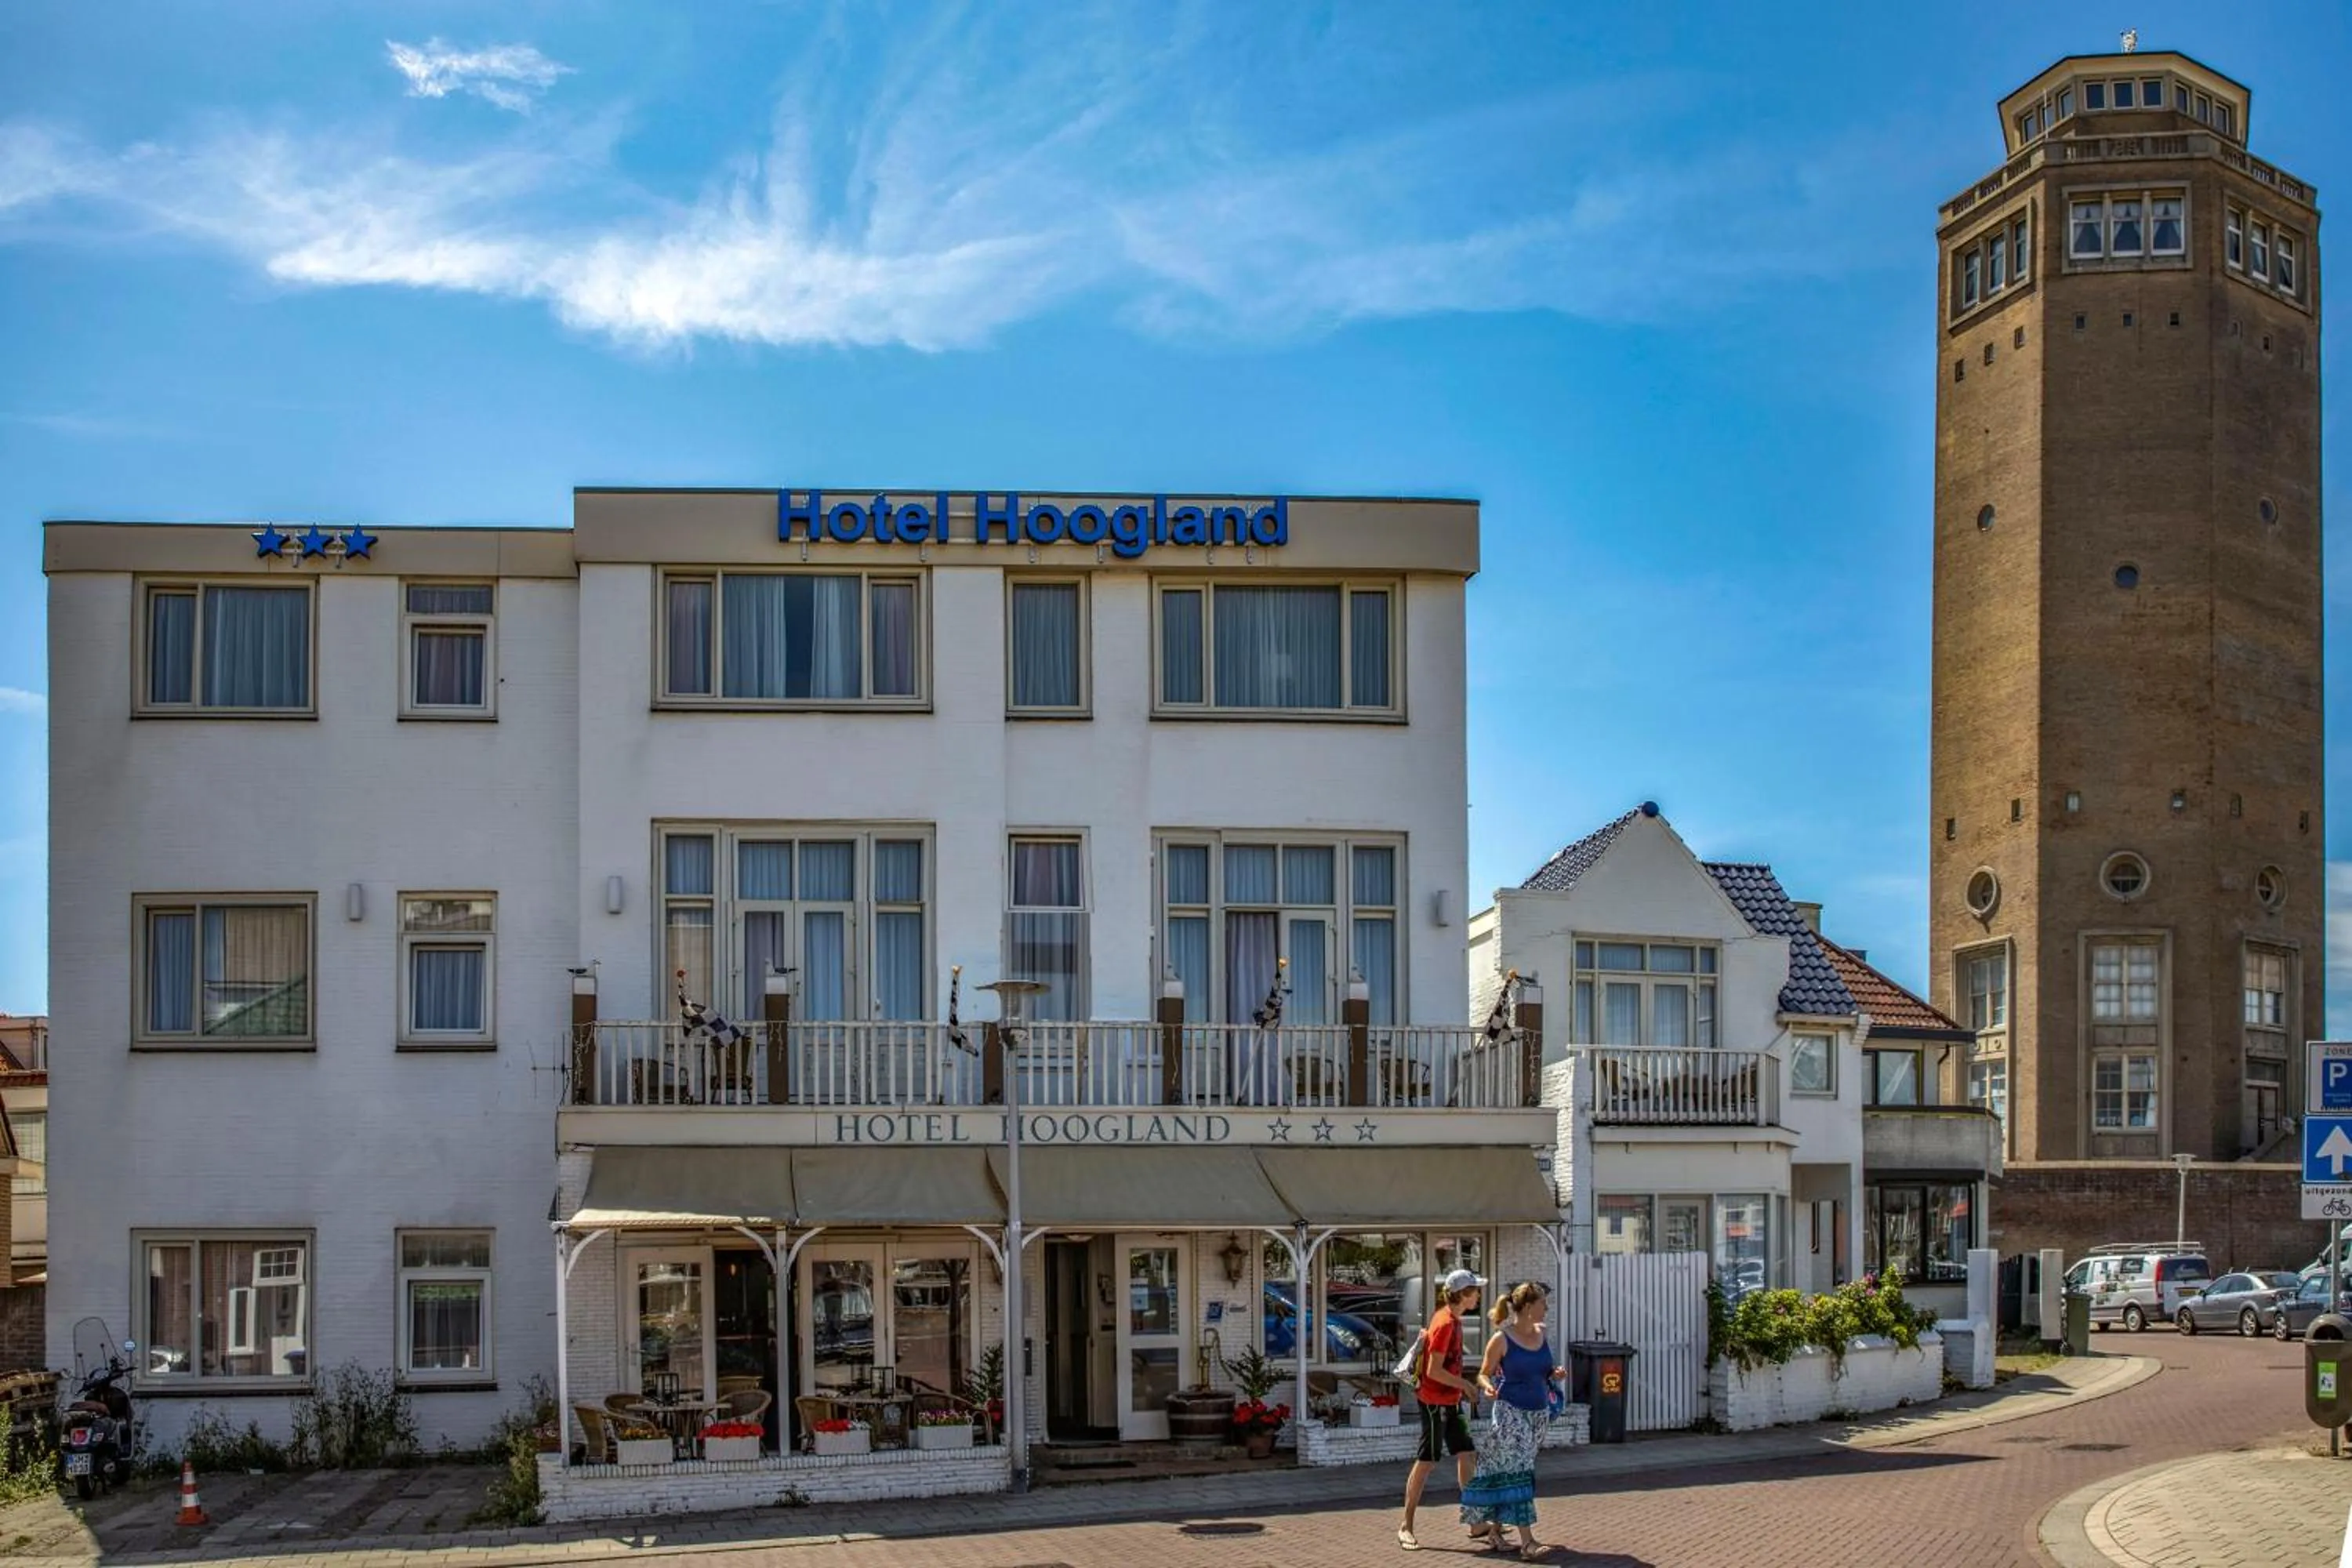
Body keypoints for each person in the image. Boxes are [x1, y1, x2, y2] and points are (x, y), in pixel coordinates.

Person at [1461, 1281, 1564, 1559]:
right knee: (1518, 1471)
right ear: (1529, 1307)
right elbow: (1483, 1373)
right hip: (1510, 1414)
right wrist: (1487, 1386)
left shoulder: (1542, 1333)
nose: (1547, 1308)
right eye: (1543, 1303)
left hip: (1538, 1416)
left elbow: (1542, 1370)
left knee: (1511, 1471)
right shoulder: (1501, 1339)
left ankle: (1495, 1531)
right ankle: (1528, 1543)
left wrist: (1555, 1373)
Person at [1397, 1267, 1483, 1552]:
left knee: (1467, 1454)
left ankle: (1474, 1521)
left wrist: (1461, 1387)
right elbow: (1433, 1370)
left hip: (1450, 1401)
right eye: (1475, 1290)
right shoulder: (1445, 1323)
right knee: (1427, 1461)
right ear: (1463, 1295)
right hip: (1434, 1402)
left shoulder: (1453, 1321)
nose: (1479, 1294)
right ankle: (1406, 1526)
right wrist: (1466, 1385)